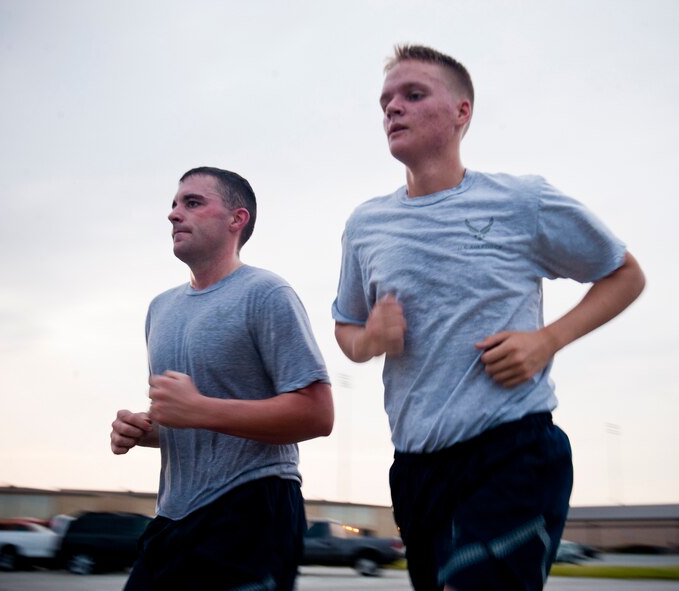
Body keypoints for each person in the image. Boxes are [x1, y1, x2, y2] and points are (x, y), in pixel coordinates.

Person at [332, 45, 646, 591]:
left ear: (461, 112)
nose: (392, 109)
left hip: (512, 452)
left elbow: (624, 274)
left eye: (412, 95)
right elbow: (346, 329)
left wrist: (546, 340)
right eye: (385, 101)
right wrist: (369, 341)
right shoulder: (366, 225)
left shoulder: (522, 201)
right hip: (416, 469)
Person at [111, 166, 334, 591]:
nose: (175, 214)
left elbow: (318, 414)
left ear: (237, 219)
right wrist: (145, 429)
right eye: (174, 205)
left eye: (193, 203)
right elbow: (194, 421)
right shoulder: (160, 309)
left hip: (251, 507)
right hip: (173, 517)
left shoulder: (267, 294)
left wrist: (199, 409)